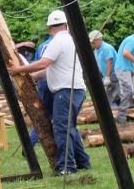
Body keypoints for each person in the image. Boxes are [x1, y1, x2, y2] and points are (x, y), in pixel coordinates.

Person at [9, 10, 91, 174]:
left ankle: (67, 167)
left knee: (62, 128)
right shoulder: (69, 40)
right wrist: (31, 76)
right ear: (66, 24)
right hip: (74, 89)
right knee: (69, 127)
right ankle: (83, 161)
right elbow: (49, 69)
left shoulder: (57, 41)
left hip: (65, 90)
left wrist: (18, 69)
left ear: (49, 28)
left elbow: (43, 63)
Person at [90, 30, 119, 105]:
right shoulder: (96, 50)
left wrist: (108, 77)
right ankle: (113, 110)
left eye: (93, 42)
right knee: (108, 96)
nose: (92, 45)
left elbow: (110, 62)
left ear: (99, 39)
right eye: (91, 43)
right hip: (106, 75)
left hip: (114, 75)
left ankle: (120, 111)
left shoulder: (106, 48)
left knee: (115, 94)